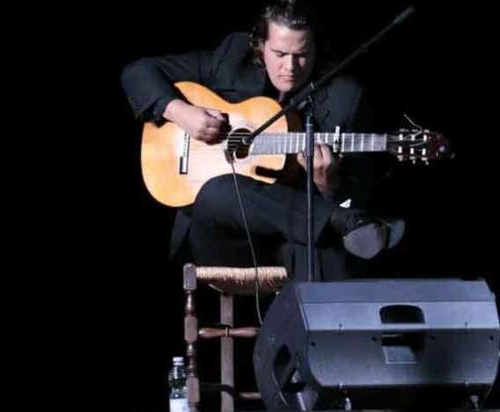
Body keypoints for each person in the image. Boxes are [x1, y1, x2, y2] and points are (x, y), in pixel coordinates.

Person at [121, 0, 403, 281]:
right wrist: (180, 112)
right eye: (279, 53)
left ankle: (324, 320)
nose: (290, 67)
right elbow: (137, 73)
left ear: (316, 48)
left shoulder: (345, 99)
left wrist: (326, 185)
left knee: (329, 252)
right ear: (260, 46)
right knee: (217, 191)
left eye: (302, 54)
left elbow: (358, 190)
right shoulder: (232, 60)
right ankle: (335, 219)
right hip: (225, 240)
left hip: (293, 241)